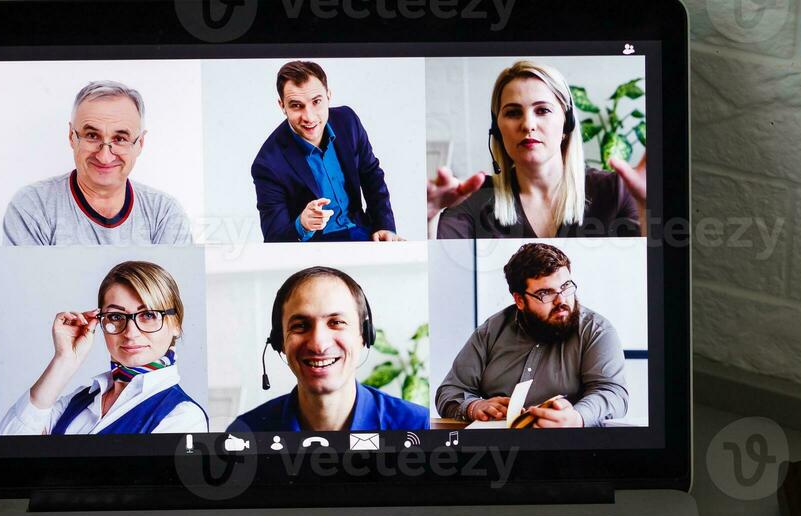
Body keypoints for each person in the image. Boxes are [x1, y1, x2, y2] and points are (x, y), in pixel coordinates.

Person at [429, 60, 646, 240]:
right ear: (497, 129)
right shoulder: (473, 200)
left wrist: (648, 209)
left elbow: (646, 277)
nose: (528, 125)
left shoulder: (614, 192)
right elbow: (440, 278)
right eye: (513, 113)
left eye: (542, 110)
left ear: (566, 124)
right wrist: (429, 217)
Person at [0, 261, 207, 435]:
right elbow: (9, 451)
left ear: (176, 325)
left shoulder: (182, 416)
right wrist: (64, 361)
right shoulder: (79, 400)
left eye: (149, 315)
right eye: (116, 317)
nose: (131, 332)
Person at [435, 242, 628, 427]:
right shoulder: (492, 330)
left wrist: (578, 417)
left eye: (566, 286)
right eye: (546, 293)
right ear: (519, 300)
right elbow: (449, 391)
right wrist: (473, 406)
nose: (562, 301)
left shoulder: (597, 331)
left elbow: (613, 393)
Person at [230, 267, 428, 432]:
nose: (318, 344)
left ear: (364, 336)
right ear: (279, 341)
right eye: (300, 325)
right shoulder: (245, 432)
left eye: (337, 322)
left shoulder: (419, 426)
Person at [2, 81, 192, 246]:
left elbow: (175, 288)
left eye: (120, 138)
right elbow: (25, 287)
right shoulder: (33, 206)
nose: (104, 156)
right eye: (92, 136)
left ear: (140, 143)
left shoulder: (164, 214)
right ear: (71, 136)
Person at [251, 61, 401, 244]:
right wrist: (302, 225)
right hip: (315, 249)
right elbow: (274, 238)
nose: (309, 116)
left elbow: (372, 176)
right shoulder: (267, 163)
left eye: (316, 102)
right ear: (282, 106)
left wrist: (384, 225)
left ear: (329, 96)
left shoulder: (348, 121)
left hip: (362, 234)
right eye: (296, 105)